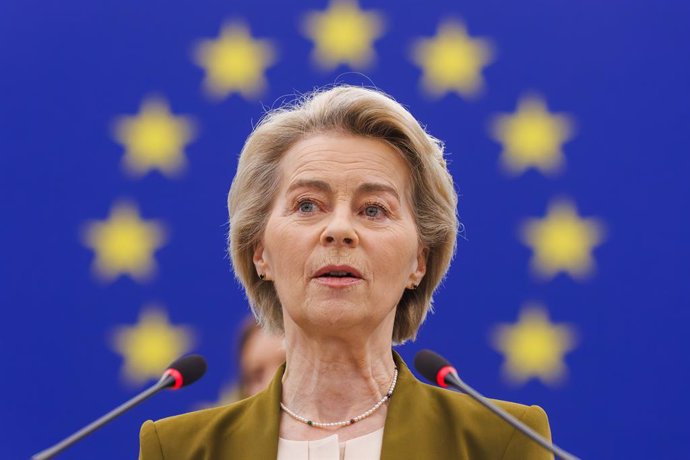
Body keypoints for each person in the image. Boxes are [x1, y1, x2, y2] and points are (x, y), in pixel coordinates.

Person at [139, 85, 553, 459]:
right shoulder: (179, 450)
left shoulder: (500, 442)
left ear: (419, 261)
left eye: (373, 209)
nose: (339, 230)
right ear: (259, 251)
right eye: (307, 205)